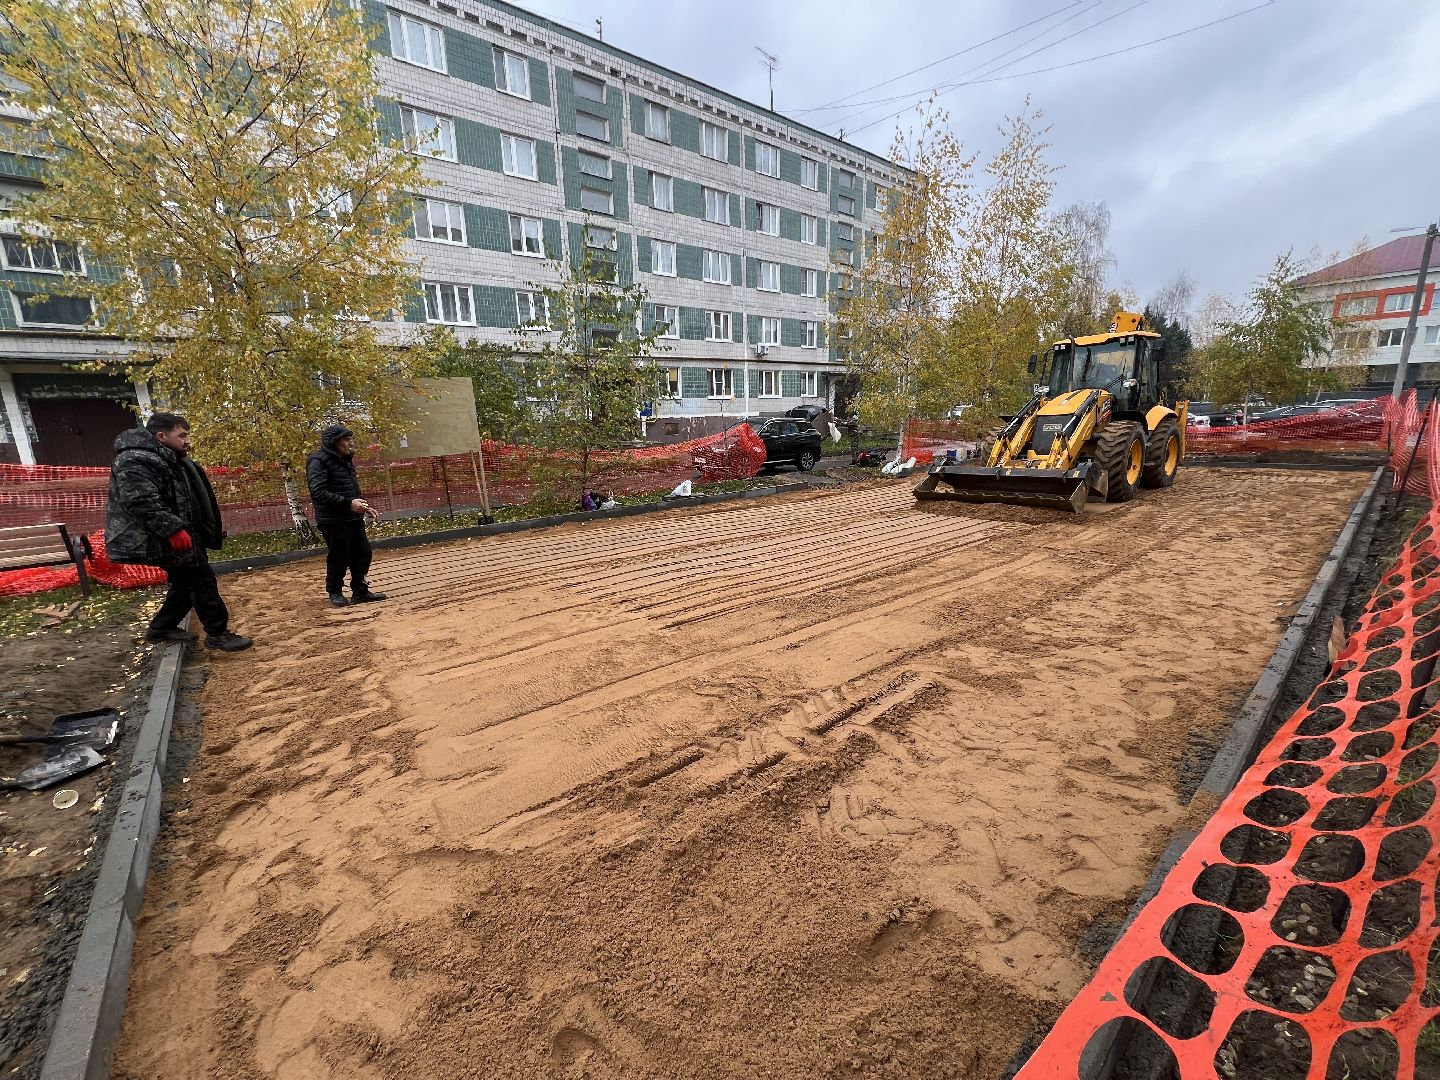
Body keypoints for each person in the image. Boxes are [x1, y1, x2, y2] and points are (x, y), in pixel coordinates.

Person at [105, 413, 253, 652]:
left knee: (185, 583)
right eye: (182, 435)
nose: (187, 440)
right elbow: (141, 501)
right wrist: (173, 529)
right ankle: (217, 634)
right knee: (201, 580)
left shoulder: (167, 457)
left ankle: (161, 628)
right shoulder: (136, 459)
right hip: (161, 537)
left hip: (180, 533)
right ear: (161, 436)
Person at [305, 423, 385, 608]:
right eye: (347, 440)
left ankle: (360, 591)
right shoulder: (318, 461)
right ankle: (335, 591)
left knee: (362, 553)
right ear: (335, 442)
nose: (351, 443)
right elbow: (317, 492)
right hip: (332, 520)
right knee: (339, 556)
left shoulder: (345, 459)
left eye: (351, 439)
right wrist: (348, 503)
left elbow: (349, 489)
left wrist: (363, 507)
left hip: (352, 517)